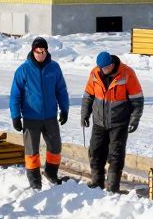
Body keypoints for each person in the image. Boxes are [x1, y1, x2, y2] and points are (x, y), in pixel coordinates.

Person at [9, 36, 70, 190]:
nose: (41, 54)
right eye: (38, 51)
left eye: (44, 51)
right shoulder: (23, 70)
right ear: (33, 51)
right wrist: (16, 116)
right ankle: (35, 182)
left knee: (55, 147)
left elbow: (61, 90)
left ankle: (51, 173)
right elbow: (15, 95)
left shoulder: (54, 68)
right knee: (31, 152)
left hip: (50, 116)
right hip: (31, 117)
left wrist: (64, 109)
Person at [81, 51, 144, 193]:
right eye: (102, 68)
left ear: (112, 63)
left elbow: (137, 99)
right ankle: (97, 185)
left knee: (115, 156)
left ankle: (112, 189)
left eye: (107, 67)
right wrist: (85, 114)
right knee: (95, 152)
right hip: (99, 122)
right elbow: (88, 96)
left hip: (119, 123)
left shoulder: (127, 73)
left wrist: (135, 119)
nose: (105, 70)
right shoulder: (95, 73)